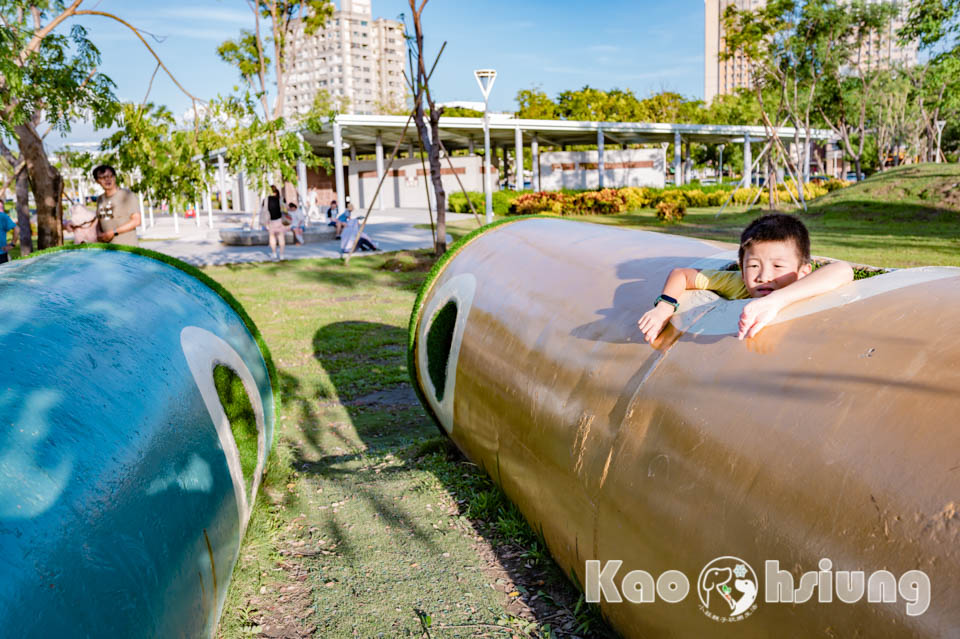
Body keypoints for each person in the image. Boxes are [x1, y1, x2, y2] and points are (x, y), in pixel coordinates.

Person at [637, 213, 853, 342]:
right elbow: (682, 275)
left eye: (778, 265)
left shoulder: (804, 283)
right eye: (753, 265)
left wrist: (776, 301)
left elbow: (843, 269)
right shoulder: (737, 284)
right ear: (741, 268)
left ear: (803, 271)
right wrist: (664, 306)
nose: (764, 276)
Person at [91, 165, 141, 246]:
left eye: (110, 176)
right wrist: (99, 234)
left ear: (115, 177)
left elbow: (136, 221)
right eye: (103, 177)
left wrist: (113, 233)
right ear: (97, 181)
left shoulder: (127, 195)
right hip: (108, 250)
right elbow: (99, 221)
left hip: (127, 250)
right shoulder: (100, 199)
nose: (107, 179)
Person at [260, 185, 286, 261]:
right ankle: (281, 255)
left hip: (270, 221)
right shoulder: (281, 199)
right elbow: (286, 209)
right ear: (276, 191)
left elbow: (263, 211)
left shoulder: (265, 200)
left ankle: (274, 253)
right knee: (281, 237)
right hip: (280, 221)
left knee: (272, 237)